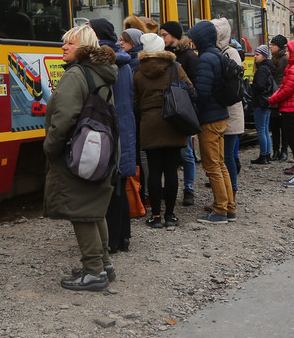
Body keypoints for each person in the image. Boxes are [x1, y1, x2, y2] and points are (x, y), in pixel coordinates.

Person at [44, 25, 118, 291]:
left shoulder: (76, 74)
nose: (63, 47)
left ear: (84, 47)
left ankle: (93, 271)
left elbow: (64, 117)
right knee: (94, 210)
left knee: (81, 212)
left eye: (70, 44)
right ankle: (104, 264)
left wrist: (50, 147)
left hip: (78, 152)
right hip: (100, 150)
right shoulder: (101, 72)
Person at [132, 32, 194, 228]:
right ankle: (170, 215)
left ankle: (156, 216)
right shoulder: (175, 67)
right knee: (171, 171)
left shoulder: (139, 71)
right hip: (173, 123)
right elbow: (191, 91)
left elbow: (134, 102)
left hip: (149, 124)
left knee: (154, 171)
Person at [90, 19, 137, 252]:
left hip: (111, 129)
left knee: (110, 188)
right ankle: (123, 237)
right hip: (124, 128)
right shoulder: (124, 62)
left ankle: (113, 240)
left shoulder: (105, 64)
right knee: (119, 186)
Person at [188, 21, 234, 223]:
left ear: (201, 38)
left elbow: (203, 93)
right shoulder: (217, 54)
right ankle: (229, 207)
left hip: (210, 119)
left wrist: (193, 104)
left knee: (212, 166)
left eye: (193, 37)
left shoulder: (206, 58)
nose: (191, 40)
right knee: (221, 164)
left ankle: (220, 210)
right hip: (221, 115)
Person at [163, 23, 199, 206]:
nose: (162, 38)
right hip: (168, 110)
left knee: (186, 153)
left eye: (165, 35)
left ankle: (189, 189)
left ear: (174, 36)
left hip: (182, 111)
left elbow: (194, 87)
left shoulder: (189, 57)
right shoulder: (164, 55)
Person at [269, 38, 294, 188]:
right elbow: (285, 87)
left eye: (288, 51)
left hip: (292, 109)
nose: (286, 53)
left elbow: (286, 90)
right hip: (292, 108)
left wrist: (272, 99)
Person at [214, 20, 244, 196]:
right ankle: (226, 193)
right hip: (226, 112)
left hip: (231, 112)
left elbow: (232, 85)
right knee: (225, 156)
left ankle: (231, 193)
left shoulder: (230, 52)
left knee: (228, 157)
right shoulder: (222, 52)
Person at [249, 44, 277, 165]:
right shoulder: (269, 67)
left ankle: (263, 156)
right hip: (268, 102)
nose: (255, 57)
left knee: (261, 129)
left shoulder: (262, 69)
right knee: (265, 129)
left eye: (257, 55)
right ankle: (267, 154)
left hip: (261, 102)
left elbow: (259, 86)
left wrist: (250, 86)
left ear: (264, 55)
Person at [269, 34, 289, 162]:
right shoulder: (275, 58)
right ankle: (276, 150)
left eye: (273, 45)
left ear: (279, 46)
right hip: (274, 93)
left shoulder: (283, 59)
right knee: (275, 124)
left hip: (281, 94)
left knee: (283, 125)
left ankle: (283, 150)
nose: (271, 47)